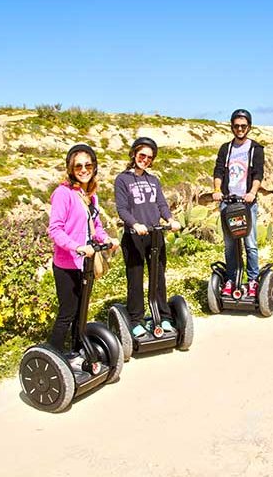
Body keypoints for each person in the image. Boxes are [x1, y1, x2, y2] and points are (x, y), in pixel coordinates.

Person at [48, 143, 118, 353]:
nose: (83, 169)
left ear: (94, 167)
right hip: (67, 264)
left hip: (85, 263)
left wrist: (109, 240)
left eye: (88, 165)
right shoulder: (63, 193)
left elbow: (95, 227)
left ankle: (77, 352)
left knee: (82, 311)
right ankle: (52, 355)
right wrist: (76, 246)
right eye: (78, 166)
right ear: (71, 169)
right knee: (67, 312)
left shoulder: (91, 195)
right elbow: (55, 229)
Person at [115, 137, 181, 338]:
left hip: (155, 235)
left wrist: (170, 219)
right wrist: (135, 224)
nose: (145, 160)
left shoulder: (153, 180)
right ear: (134, 154)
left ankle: (163, 317)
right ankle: (136, 320)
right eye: (142, 155)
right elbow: (122, 208)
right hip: (134, 236)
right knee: (135, 279)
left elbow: (161, 204)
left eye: (149, 157)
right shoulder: (122, 179)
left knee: (158, 277)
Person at [212, 109, 265, 298]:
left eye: (243, 126)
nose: (240, 129)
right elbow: (218, 171)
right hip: (228, 202)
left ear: (249, 127)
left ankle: (252, 280)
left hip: (247, 204)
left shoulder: (256, 149)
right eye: (236, 126)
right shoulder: (226, 149)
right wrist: (218, 191)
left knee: (250, 244)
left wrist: (252, 192)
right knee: (229, 245)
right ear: (232, 127)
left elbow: (258, 173)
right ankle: (231, 279)